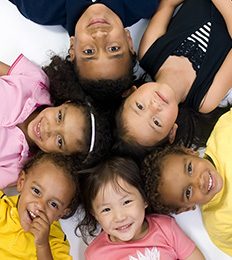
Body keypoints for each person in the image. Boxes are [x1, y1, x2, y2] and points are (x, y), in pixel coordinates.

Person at [114, 0, 232, 155]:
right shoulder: (204, 99)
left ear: (131, 92)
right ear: (171, 131)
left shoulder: (149, 52)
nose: (154, 106)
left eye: (140, 107)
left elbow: (168, 4)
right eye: (156, 122)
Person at [0, 54, 112, 189]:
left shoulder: (18, 168)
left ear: (61, 156)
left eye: (60, 141)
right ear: (66, 102)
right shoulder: (36, 81)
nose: (48, 128)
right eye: (59, 117)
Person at [8, 0, 160, 101]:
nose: (100, 35)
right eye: (113, 48)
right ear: (128, 40)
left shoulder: (40, 7)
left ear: (73, 48)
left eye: (89, 51)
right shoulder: (143, 3)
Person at [140, 108, 232, 256]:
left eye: (190, 168)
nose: (199, 181)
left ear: (190, 152)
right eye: (188, 192)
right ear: (186, 208)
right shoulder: (219, 227)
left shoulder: (225, 130)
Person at [77, 156, 205, 259]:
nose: (119, 217)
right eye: (106, 210)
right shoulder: (96, 254)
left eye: (126, 202)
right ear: (96, 215)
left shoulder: (166, 228)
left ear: (144, 199)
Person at [0, 151, 80, 259]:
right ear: (21, 182)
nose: (40, 206)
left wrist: (42, 245)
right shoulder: (2, 206)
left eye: (53, 204)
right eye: (36, 191)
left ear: (61, 214)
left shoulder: (56, 241)